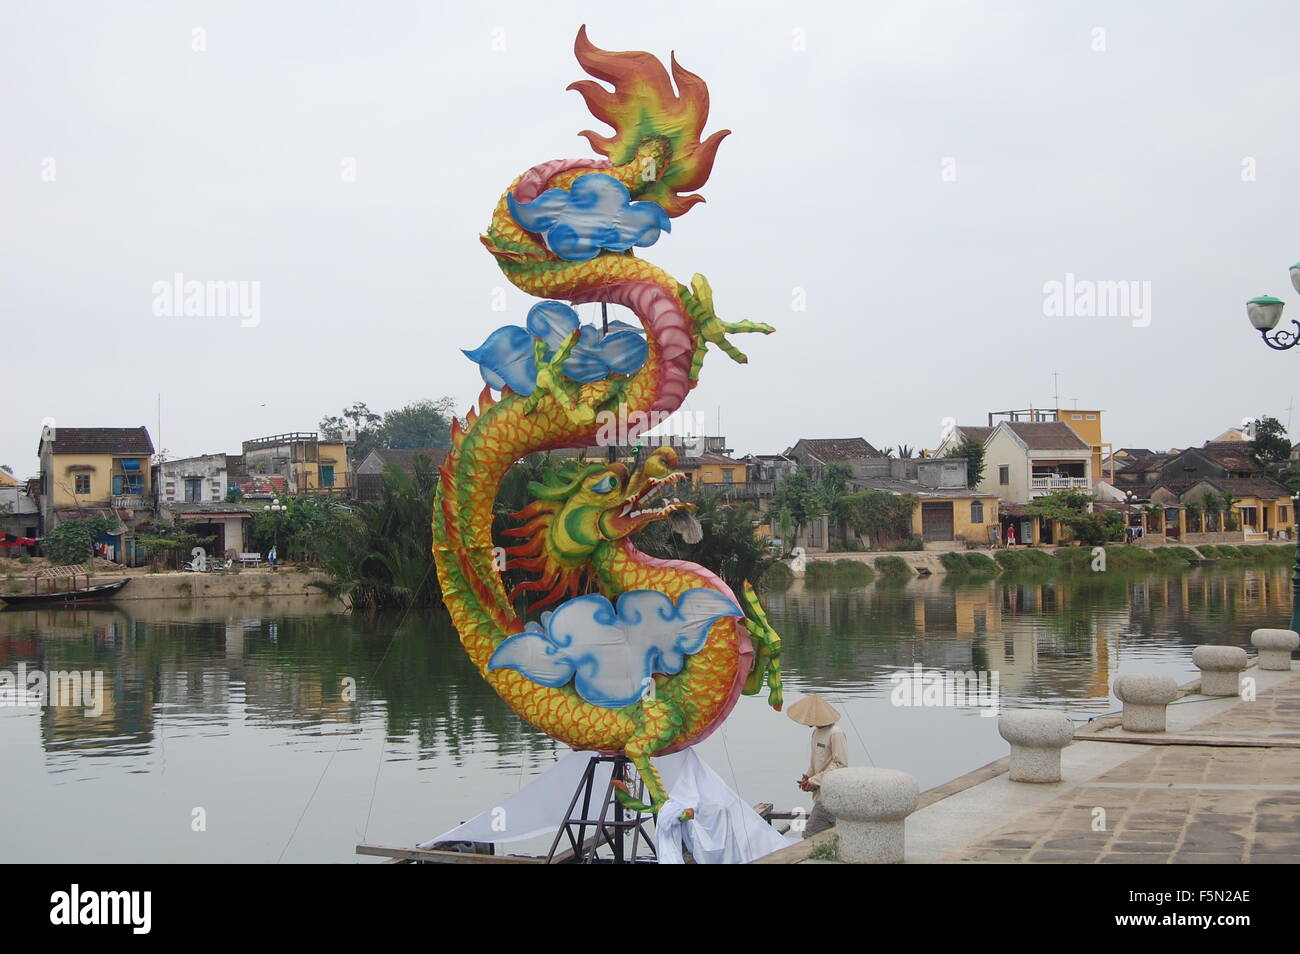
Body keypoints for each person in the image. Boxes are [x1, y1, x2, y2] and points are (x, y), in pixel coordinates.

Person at [786, 694, 848, 838]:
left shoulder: (836, 733)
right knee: (831, 834)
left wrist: (814, 781)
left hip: (831, 795)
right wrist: (808, 776)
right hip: (820, 793)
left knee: (810, 834)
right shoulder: (816, 732)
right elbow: (816, 761)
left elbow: (840, 764)